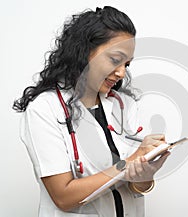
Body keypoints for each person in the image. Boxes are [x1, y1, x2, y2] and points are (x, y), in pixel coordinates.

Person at [13, 6, 170, 217]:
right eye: (115, 60)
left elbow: (134, 186)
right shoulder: (45, 109)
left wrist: (145, 174)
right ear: (84, 51)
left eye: (127, 64)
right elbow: (63, 197)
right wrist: (128, 163)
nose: (121, 72)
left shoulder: (124, 105)